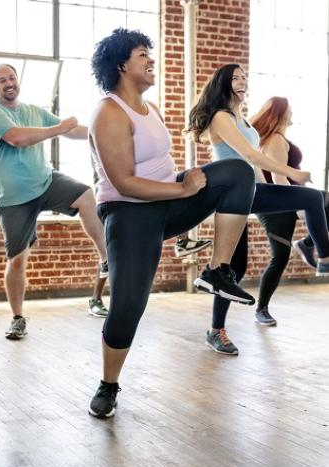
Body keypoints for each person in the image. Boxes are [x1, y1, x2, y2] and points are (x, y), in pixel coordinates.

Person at [87, 28, 257, 419]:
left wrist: (185, 181)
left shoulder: (152, 109)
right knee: (129, 304)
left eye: (151, 52)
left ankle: (217, 270)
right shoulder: (109, 111)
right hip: (128, 212)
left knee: (237, 172)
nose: (151, 59)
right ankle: (108, 385)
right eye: (142, 53)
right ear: (120, 64)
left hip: (168, 198)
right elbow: (124, 181)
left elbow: (159, 166)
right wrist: (183, 192)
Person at [186, 64, 329, 354]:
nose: (242, 81)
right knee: (232, 268)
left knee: (313, 198)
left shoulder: (244, 120)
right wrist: (294, 173)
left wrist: (282, 188)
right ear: (223, 84)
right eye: (235, 78)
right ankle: (216, 330)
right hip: (231, 197)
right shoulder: (221, 117)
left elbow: (255, 159)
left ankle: (324, 258)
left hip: (252, 192)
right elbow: (250, 155)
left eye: (244, 77)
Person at [0, 63, 109, 339]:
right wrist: (59, 128)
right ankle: (17, 318)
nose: (8, 83)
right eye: (2, 80)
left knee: (86, 195)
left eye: (12, 77)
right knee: (17, 261)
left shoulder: (33, 111)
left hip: (46, 182)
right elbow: (17, 138)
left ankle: (106, 258)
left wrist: (102, 132)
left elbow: (71, 131)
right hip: (13, 199)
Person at [250, 97, 329, 325]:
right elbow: (278, 178)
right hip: (277, 205)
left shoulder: (277, 139)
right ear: (281, 113)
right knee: (280, 258)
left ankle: (308, 244)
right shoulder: (275, 139)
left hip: (284, 200)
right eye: (290, 109)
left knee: (325, 201)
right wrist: (296, 205)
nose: (292, 112)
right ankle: (261, 309)